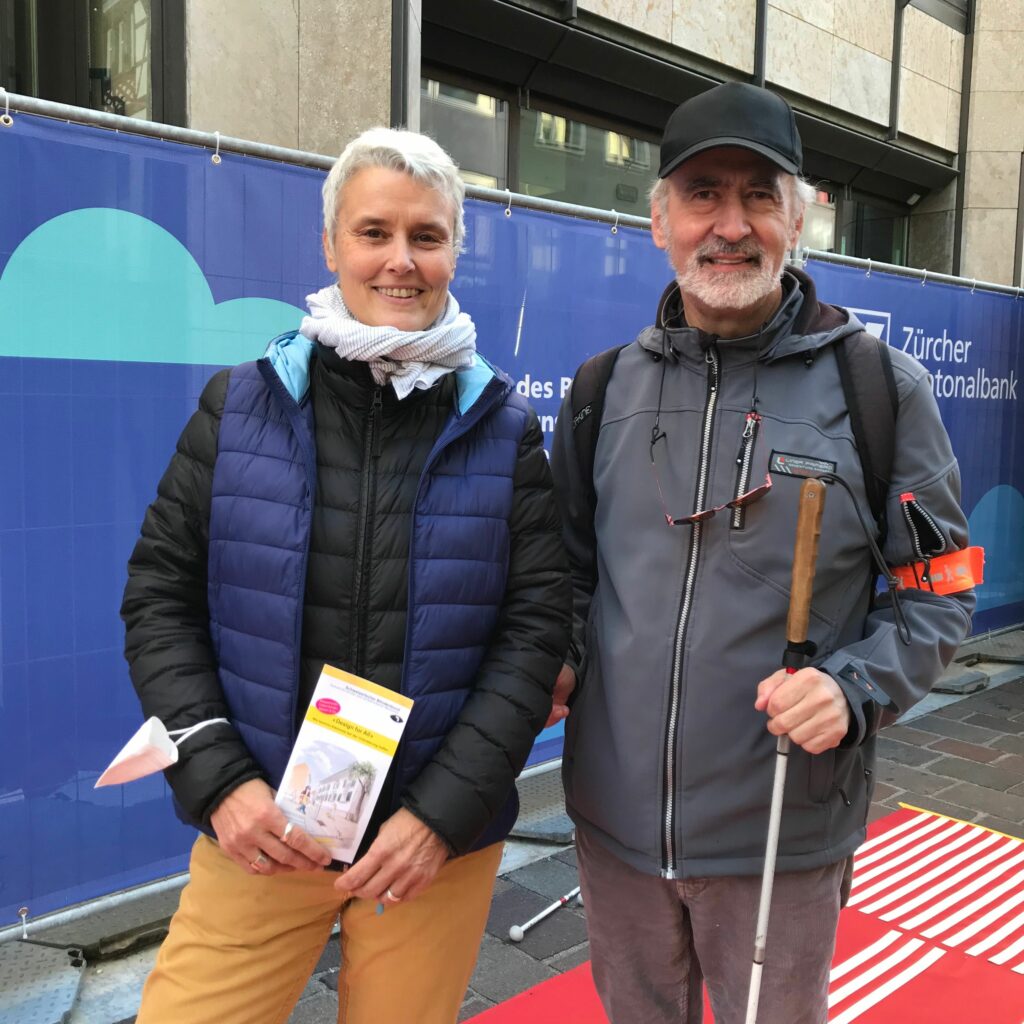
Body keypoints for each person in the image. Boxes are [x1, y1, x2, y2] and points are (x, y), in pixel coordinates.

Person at [121, 127, 571, 1024]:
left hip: (428, 850)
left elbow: (532, 636)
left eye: (426, 237)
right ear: (331, 246)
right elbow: (160, 601)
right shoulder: (238, 406)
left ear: (453, 252)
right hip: (262, 831)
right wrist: (220, 784)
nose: (400, 261)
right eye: (374, 233)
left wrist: (441, 817)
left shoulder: (504, 429)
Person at [549, 82, 975, 1024]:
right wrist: (561, 659)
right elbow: (569, 578)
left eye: (758, 196)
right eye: (702, 194)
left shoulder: (879, 388)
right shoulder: (599, 390)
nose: (729, 226)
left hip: (781, 829)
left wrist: (856, 688)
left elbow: (937, 593)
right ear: (660, 219)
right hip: (615, 828)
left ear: (800, 216)